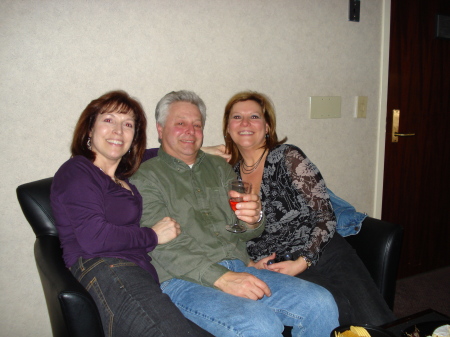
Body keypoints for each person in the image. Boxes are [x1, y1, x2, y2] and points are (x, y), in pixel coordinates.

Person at [130, 90, 340, 337]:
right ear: (160, 128)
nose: (190, 130)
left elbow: (246, 229)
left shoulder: (220, 168)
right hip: (183, 280)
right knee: (260, 324)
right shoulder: (145, 178)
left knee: (320, 303)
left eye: (197, 124)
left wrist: (254, 218)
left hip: (240, 267)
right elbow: (162, 246)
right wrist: (223, 278)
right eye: (180, 123)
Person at [222, 90, 396, 326]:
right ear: (228, 128)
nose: (245, 123)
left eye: (254, 117)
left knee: (377, 321)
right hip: (275, 265)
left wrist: (303, 261)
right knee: (338, 312)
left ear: (267, 127)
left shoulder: (287, 157)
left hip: (322, 249)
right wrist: (250, 263)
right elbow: (230, 233)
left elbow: (325, 214)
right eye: (236, 117)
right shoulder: (227, 176)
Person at [50, 90, 213, 337]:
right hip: (107, 270)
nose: (118, 130)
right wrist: (152, 236)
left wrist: (201, 151)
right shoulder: (77, 171)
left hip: (139, 277)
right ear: (90, 129)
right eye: (108, 120)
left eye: (128, 124)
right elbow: (95, 237)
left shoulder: (122, 177)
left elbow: (162, 151)